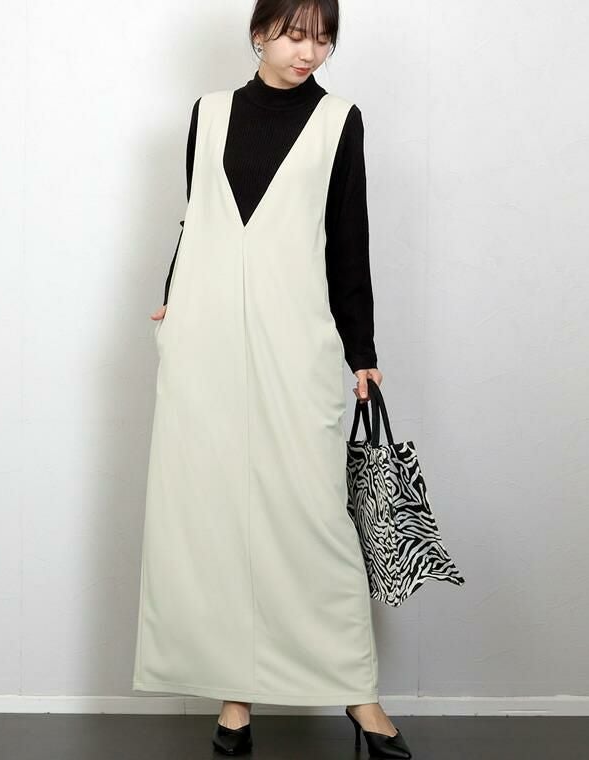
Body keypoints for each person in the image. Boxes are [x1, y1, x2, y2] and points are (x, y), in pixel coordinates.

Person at [132, 1, 412, 757]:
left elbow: (348, 240)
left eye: (322, 38)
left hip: (298, 338)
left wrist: (361, 350)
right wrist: (175, 297)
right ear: (260, 32)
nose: (307, 52)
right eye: (294, 34)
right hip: (206, 338)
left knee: (314, 517)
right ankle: (235, 703)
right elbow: (197, 219)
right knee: (216, 516)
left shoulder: (339, 121)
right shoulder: (209, 113)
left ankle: (359, 697)